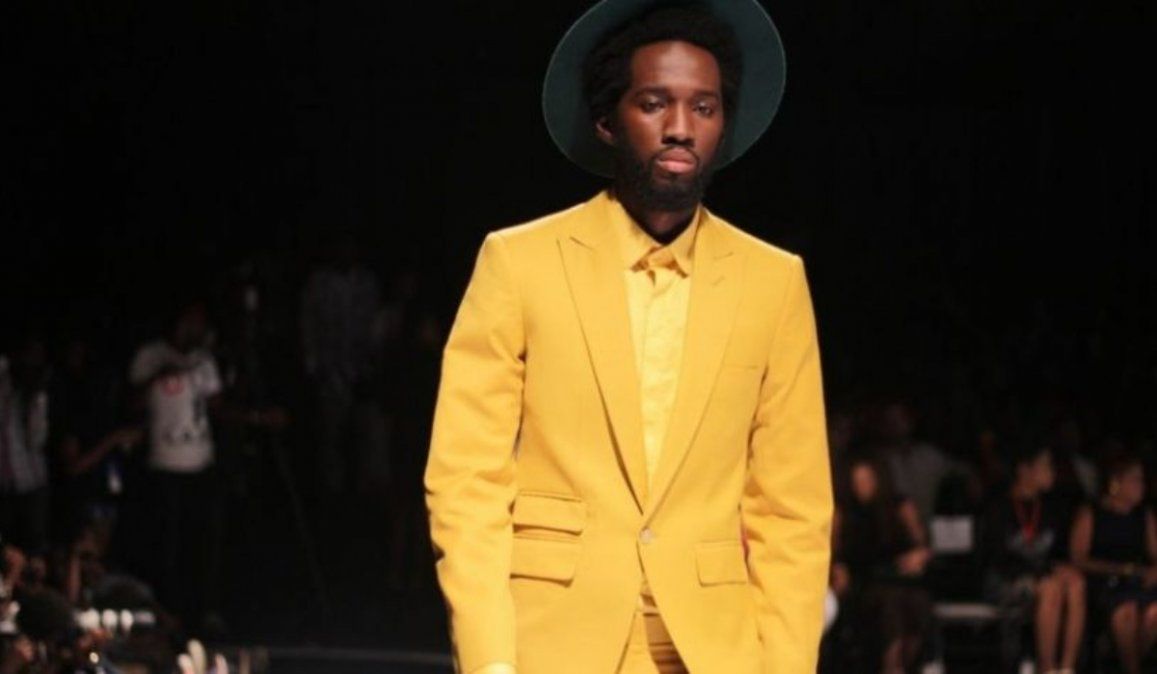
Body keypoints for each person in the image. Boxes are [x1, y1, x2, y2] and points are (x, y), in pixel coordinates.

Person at [424, 2, 832, 672]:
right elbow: (467, 481)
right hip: (553, 642)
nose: (680, 128)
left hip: (712, 649)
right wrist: (490, 659)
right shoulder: (519, 262)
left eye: (703, 107)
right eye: (654, 103)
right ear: (607, 121)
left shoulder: (773, 282)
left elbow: (793, 511)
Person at [981, 444, 1084, 674]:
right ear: (1024, 470)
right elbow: (998, 557)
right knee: (1050, 587)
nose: (1051, 473)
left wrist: (1058, 569)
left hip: (1041, 575)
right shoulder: (999, 507)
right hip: (1005, 578)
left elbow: (1056, 553)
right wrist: (1044, 572)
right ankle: (1046, 667)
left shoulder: (1050, 508)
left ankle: (1067, 667)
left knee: (1076, 583)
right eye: (1045, 466)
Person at [830, 457, 931, 674]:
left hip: (900, 577)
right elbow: (835, 551)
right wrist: (838, 568)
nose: (861, 487)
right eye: (856, 482)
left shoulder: (899, 507)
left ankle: (911, 663)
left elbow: (923, 545)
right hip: (864, 582)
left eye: (866, 480)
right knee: (890, 605)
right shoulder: (845, 512)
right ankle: (892, 666)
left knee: (918, 603)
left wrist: (919, 555)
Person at [1071, 454, 1157, 674]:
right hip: (1106, 582)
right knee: (1126, 612)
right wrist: (1122, 570)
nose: (1141, 486)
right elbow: (1078, 557)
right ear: (1116, 482)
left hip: (1139, 581)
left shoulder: (1144, 515)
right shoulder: (1092, 513)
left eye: (1141, 480)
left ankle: (1127, 664)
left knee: (1153, 613)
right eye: (1135, 479)